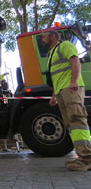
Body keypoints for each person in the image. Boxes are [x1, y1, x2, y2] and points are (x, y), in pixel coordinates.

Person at [42, 31, 91, 171]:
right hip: (62, 91)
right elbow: (59, 76)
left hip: (71, 89)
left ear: (53, 36)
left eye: (45, 36)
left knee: (77, 121)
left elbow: (75, 62)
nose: (43, 39)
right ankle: (82, 157)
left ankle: (87, 158)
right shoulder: (52, 53)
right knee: (71, 124)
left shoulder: (65, 45)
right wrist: (54, 95)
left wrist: (74, 81)